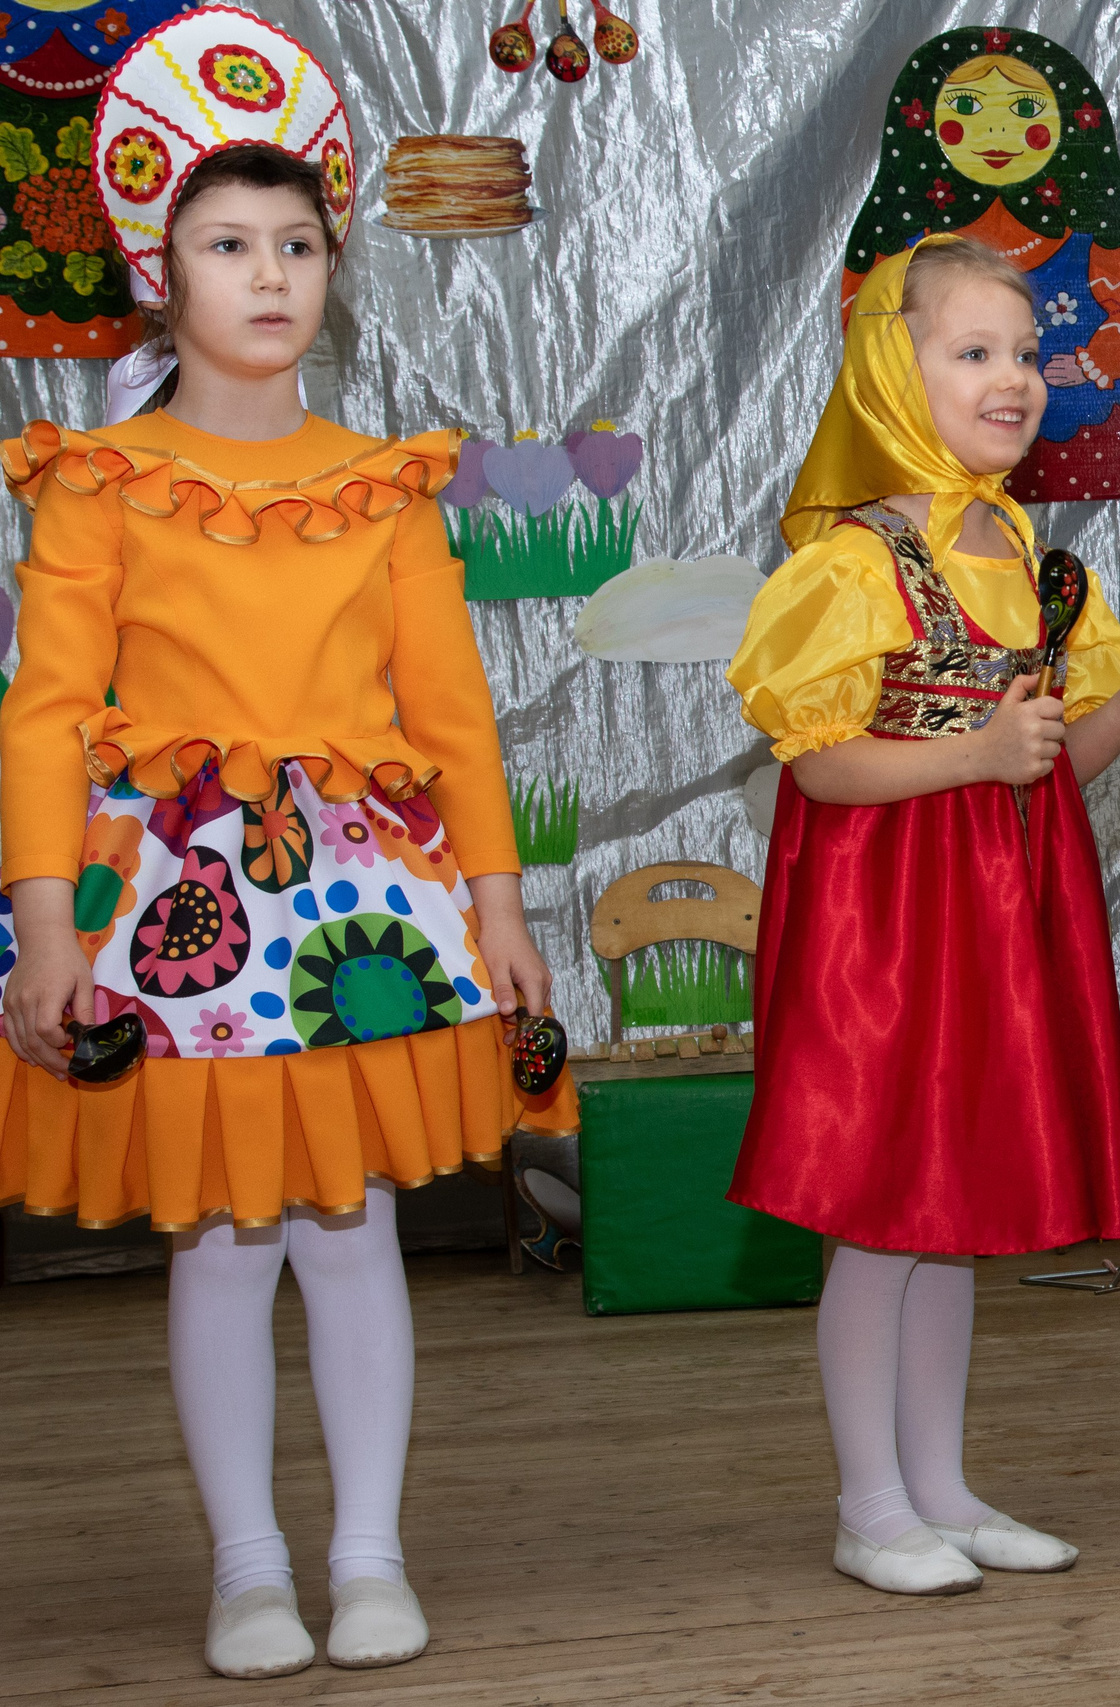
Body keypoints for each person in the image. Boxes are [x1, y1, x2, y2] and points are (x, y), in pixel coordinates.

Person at [0, 10, 568, 1679]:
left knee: (350, 1224)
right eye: (227, 244)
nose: (269, 275)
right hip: (180, 905)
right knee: (221, 1234)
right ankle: (249, 1568)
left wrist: (500, 905)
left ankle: (370, 1553)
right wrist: (43, 932)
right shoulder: (101, 479)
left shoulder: (385, 485)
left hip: (359, 914)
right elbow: (45, 712)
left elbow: (453, 712)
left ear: (335, 268)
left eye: (299, 244)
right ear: (159, 271)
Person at [725, 233, 1120, 1595]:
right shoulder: (853, 564)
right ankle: (868, 1502)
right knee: (882, 1209)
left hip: (1002, 908)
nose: (1015, 380)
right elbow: (822, 762)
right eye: (972, 352)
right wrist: (970, 758)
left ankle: (938, 1485)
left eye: (1028, 355)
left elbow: (1063, 757)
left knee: (947, 1211)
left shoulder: (1043, 568)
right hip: (887, 920)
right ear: (893, 370)